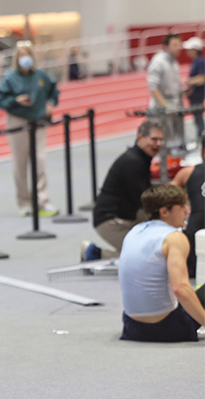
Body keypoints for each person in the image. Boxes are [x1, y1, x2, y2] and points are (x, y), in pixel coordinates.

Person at [118, 184, 205, 342]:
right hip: (167, 328)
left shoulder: (134, 232)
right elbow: (180, 289)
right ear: (165, 211)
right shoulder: (174, 237)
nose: (188, 211)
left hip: (132, 327)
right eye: (182, 207)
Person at [0, 41, 60, 217]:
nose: (25, 59)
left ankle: (43, 200)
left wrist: (51, 104)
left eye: (27, 55)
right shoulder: (10, 77)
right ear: (17, 58)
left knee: (40, 161)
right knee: (20, 163)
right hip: (17, 121)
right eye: (21, 55)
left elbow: (54, 90)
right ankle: (24, 202)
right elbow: (0, 99)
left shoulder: (40, 75)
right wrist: (16, 100)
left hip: (38, 121)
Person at [85, 120, 164, 260]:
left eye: (160, 140)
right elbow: (145, 202)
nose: (158, 144)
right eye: (154, 139)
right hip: (110, 221)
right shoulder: (133, 162)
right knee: (145, 254)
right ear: (140, 137)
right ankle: (94, 254)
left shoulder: (139, 158)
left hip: (120, 216)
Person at [171, 135, 205, 279]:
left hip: (194, 235)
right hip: (194, 236)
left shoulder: (187, 172)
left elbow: (164, 197)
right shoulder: (187, 173)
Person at [147, 34, 184, 153]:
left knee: (176, 139)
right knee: (164, 140)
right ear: (166, 46)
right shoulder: (158, 62)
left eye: (179, 44)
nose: (178, 47)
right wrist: (165, 106)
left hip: (175, 104)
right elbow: (153, 86)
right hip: (162, 108)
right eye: (175, 45)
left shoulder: (174, 62)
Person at [182, 37, 205, 138]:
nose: (187, 51)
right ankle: (200, 137)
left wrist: (188, 81)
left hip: (197, 95)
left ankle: (201, 138)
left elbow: (201, 78)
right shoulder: (195, 61)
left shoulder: (200, 62)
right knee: (197, 118)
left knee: (198, 118)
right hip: (194, 94)